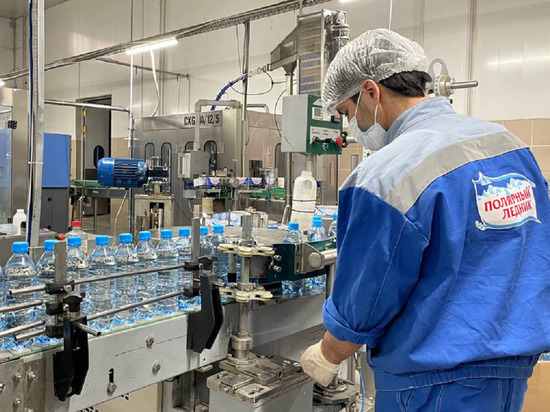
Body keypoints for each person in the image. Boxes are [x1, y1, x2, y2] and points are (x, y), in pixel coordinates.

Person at [300, 28, 550, 411]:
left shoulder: (387, 175)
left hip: (429, 386)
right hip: (510, 376)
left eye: (348, 113)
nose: (353, 127)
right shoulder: (510, 148)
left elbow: (366, 298)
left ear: (371, 91)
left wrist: (327, 353)